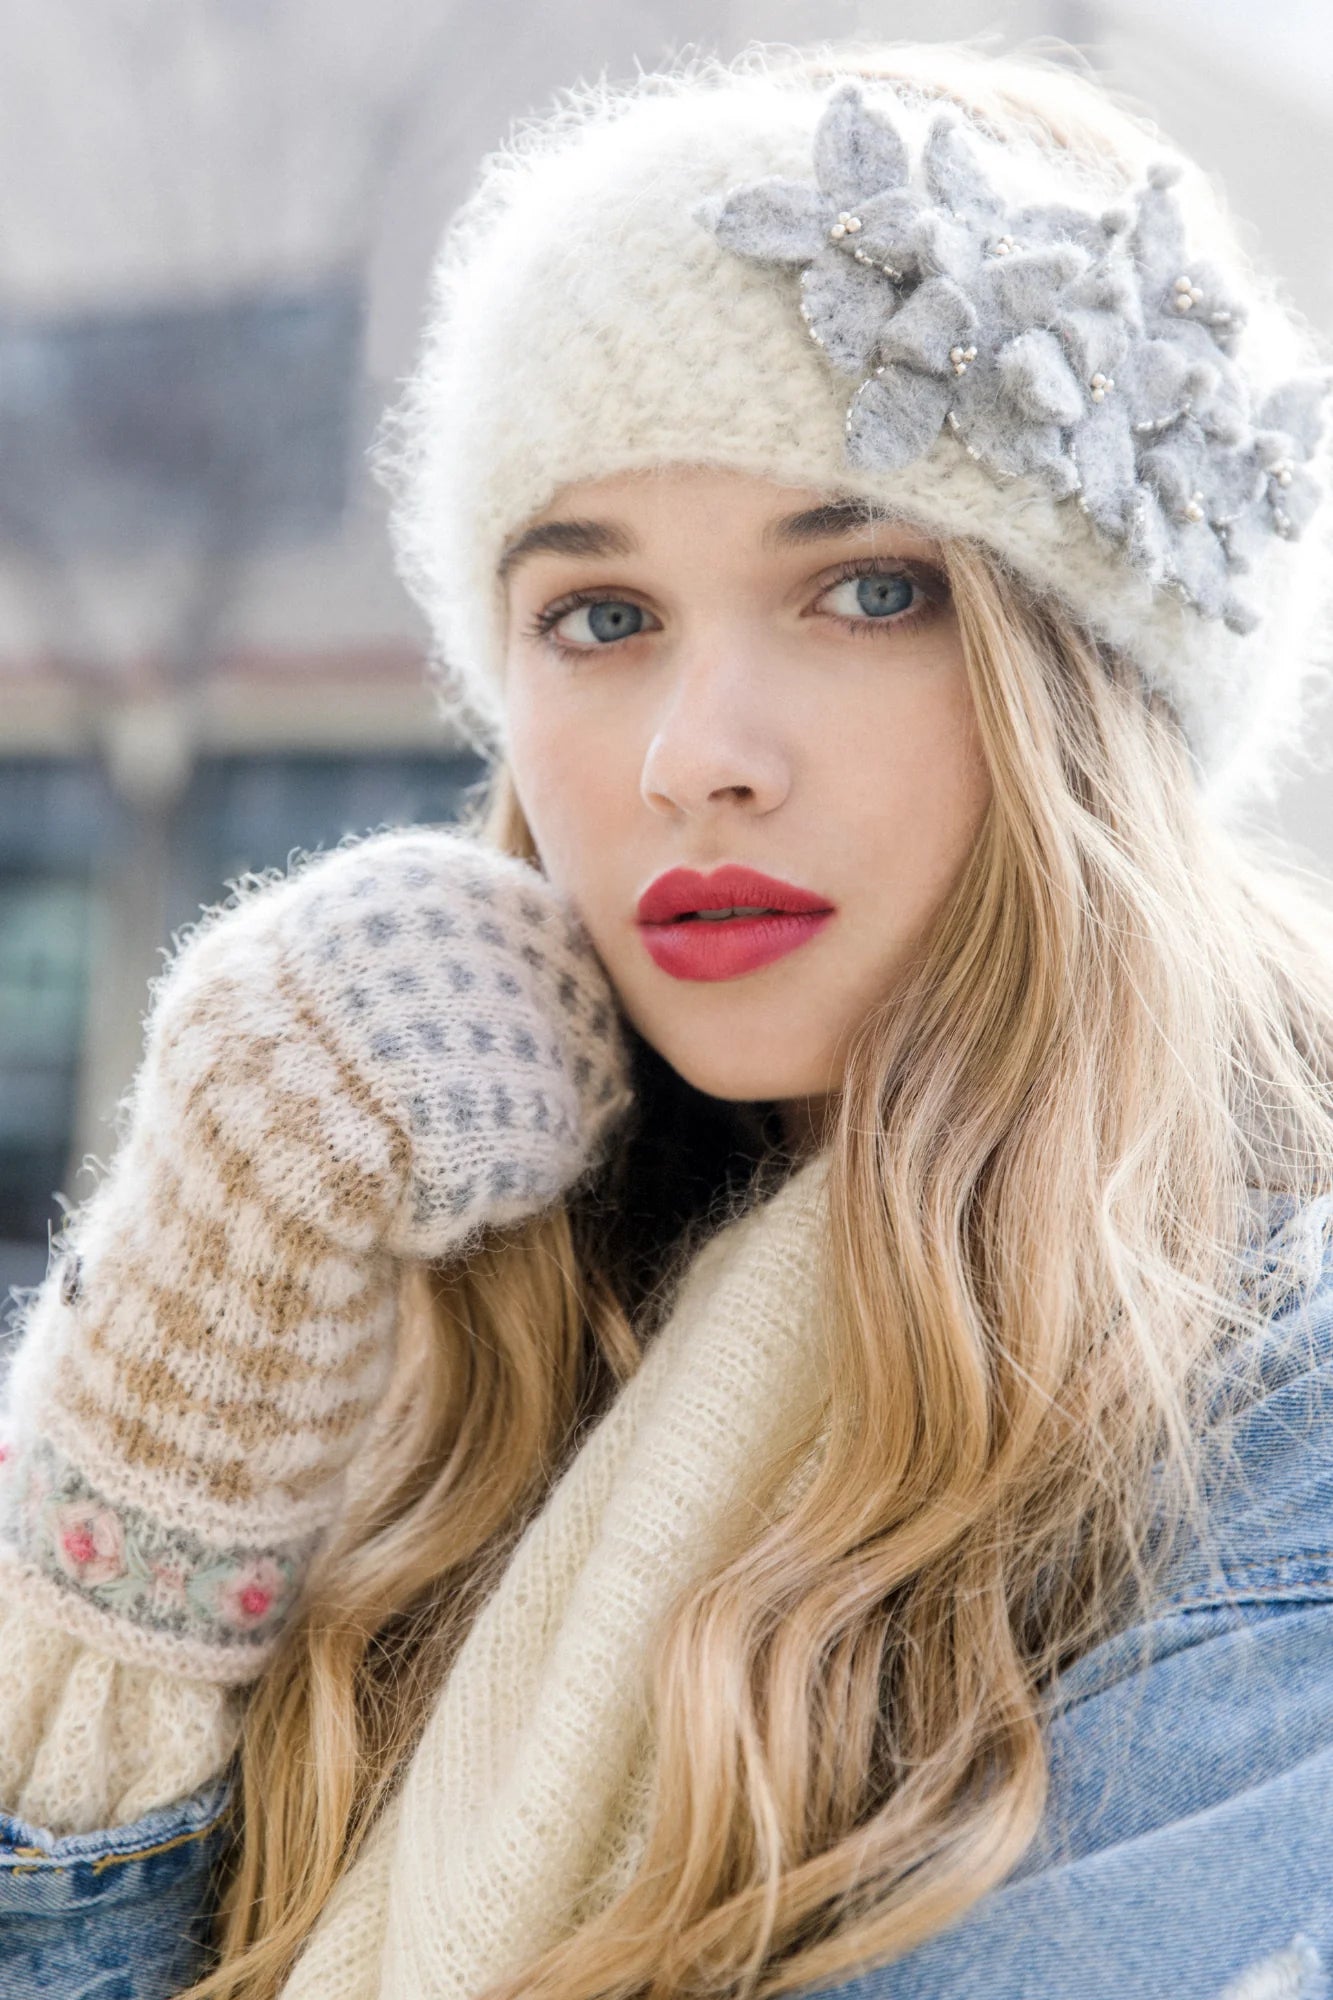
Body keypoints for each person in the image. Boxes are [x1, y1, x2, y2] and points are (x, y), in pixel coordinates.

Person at [2, 35, 1333, 2000]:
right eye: (599, 617)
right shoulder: (450, 1320)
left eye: (866, 590)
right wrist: (208, 1318)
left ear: (1094, 685)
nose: (695, 758)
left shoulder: (1266, 1429)